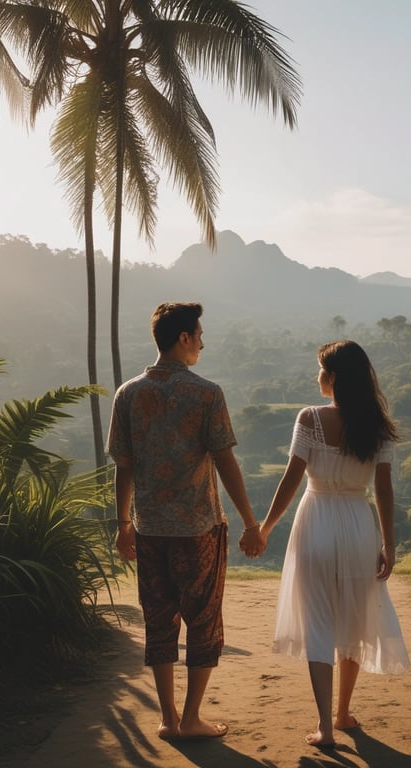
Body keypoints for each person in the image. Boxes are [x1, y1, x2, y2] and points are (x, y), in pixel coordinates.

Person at [107, 301, 265, 742]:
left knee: (158, 620)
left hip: (149, 528)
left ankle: (167, 717)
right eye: (198, 335)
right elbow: (225, 461)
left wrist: (123, 524)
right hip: (198, 529)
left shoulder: (129, 393)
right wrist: (250, 522)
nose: (202, 342)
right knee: (204, 620)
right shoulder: (206, 393)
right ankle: (193, 718)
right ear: (182, 339)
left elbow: (124, 465)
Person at [259, 340, 410, 748]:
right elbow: (384, 490)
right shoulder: (377, 425)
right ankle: (344, 713)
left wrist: (267, 526)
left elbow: (292, 478)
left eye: (322, 370)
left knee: (320, 624)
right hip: (359, 526)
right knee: (354, 621)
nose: (318, 377)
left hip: (317, 522)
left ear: (335, 377)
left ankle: (325, 726)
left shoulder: (309, 418)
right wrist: (390, 544)